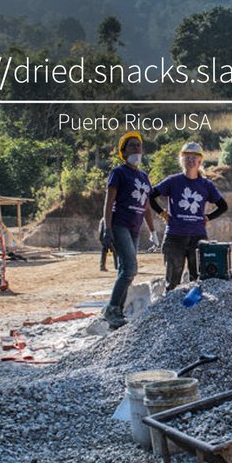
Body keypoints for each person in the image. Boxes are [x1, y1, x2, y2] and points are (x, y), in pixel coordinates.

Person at [150, 141, 228, 290]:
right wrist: (161, 213)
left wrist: (208, 217)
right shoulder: (173, 181)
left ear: (200, 161)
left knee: (198, 282)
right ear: (182, 160)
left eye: (194, 157)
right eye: (187, 157)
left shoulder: (206, 185)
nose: (191, 160)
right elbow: (151, 196)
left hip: (198, 238)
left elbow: (223, 206)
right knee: (172, 283)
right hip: (175, 237)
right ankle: (171, 312)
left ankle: (196, 312)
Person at [101, 131, 158, 328]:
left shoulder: (143, 176)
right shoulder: (118, 173)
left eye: (139, 145)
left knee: (125, 270)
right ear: (123, 151)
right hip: (119, 225)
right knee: (130, 268)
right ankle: (112, 309)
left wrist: (153, 231)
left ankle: (117, 313)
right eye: (132, 145)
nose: (136, 149)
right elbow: (109, 203)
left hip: (135, 228)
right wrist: (107, 228)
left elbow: (147, 207)